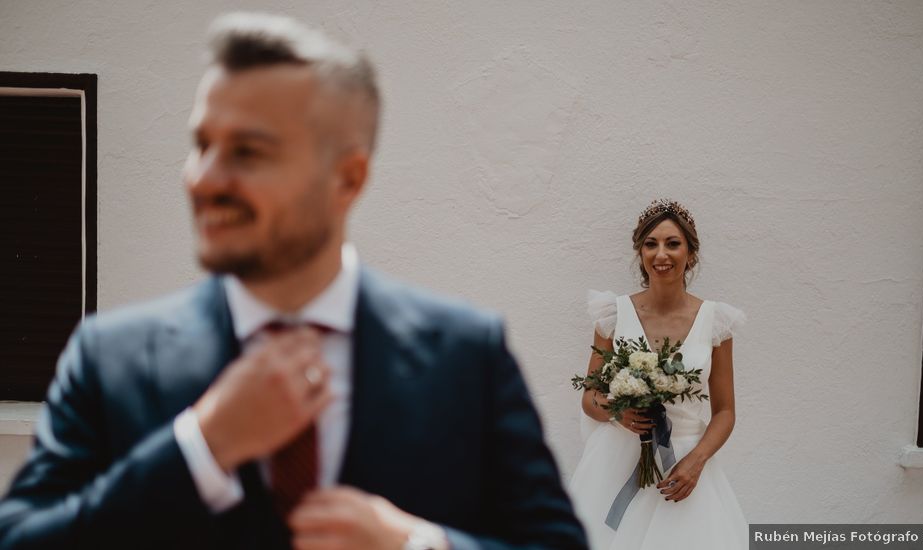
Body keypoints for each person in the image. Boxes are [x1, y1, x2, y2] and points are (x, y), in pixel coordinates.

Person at [0, 13, 587, 550]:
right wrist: (202, 448)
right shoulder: (108, 357)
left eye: (247, 152)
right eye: (201, 144)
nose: (203, 179)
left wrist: (412, 544)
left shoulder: (467, 356)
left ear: (348, 179)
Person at [568, 199, 747, 549]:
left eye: (673, 243)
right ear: (640, 253)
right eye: (651, 244)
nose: (661, 254)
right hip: (617, 461)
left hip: (683, 466)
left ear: (691, 254)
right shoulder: (612, 315)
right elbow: (589, 398)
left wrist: (696, 462)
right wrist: (617, 412)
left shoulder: (716, 321)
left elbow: (725, 411)